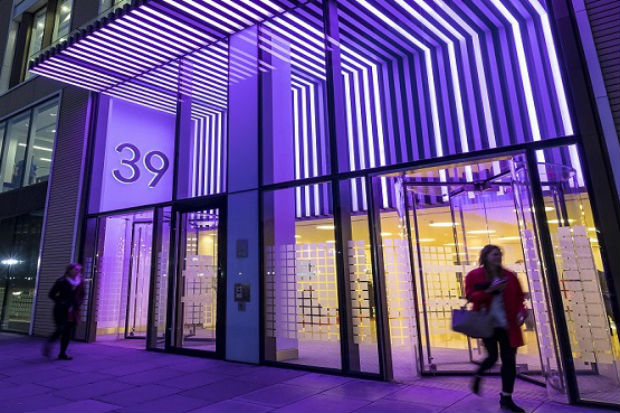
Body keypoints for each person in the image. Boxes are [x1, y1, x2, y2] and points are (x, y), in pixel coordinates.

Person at [465, 245, 528, 413]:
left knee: (509, 361)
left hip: (508, 325)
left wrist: (522, 312)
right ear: (485, 256)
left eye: (500, 254)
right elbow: (471, 296)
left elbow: (520, 298)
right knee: (492, 357)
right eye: (495, 254)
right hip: (487, 324)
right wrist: (491, 291)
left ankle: (506, 398)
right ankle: (478, 375)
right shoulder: (474, 275)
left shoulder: (509, 276)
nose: (498, 257)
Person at [43, 263, 84, 360]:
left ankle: (62, 353)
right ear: (69, 270)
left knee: (67, 333)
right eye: (76, 269)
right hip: (61, 310)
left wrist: (78, 303)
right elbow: (51, 294)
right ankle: (48, 344)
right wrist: (62, 302)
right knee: (60, 329)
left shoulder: (80, 282)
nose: (78, 271)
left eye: (79, 270)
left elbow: (82, 294)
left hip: (73, 310)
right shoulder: (61, 281)